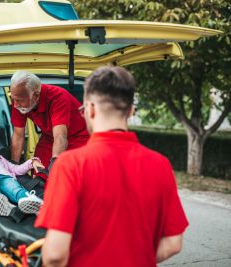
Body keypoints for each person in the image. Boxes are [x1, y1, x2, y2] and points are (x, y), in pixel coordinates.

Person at [35, 66, 189, 267]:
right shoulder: (160, 164)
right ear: (131, 111)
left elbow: (55, 254)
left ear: (89, 109)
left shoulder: (70, 164)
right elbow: (173, 243)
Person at [10, 70, 89, 171]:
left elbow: (60, 136)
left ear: (36, 96)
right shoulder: (19, 99)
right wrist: (13, 167)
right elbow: (18, 136)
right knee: (40, 171)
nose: (15, 105)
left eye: (18, 100)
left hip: (78, 138)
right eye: (13, 99)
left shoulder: (58, 98)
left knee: (66, 173)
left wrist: (56, 163)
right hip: (49, 138)